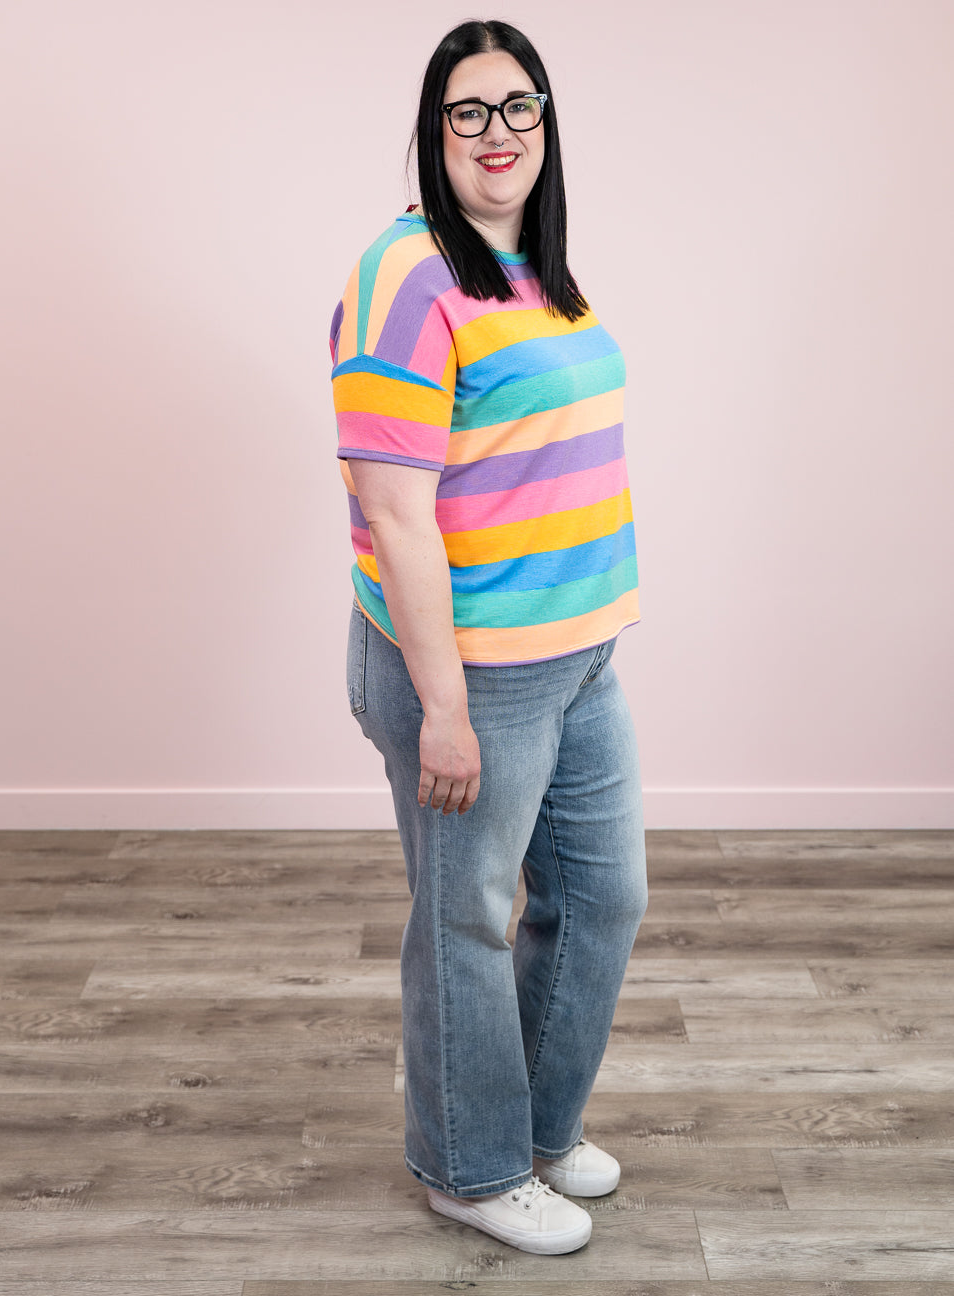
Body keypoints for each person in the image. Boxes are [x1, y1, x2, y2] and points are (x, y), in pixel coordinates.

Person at [329, 19, 647, 1256]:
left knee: (601, 896)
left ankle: (535, 1129)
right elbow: (397, 515)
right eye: (469, 111)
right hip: (470, 672)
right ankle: (469, 1166)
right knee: (463, 918)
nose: (497, 131)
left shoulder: (535, 267)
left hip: (577, 655)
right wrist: (445, 707)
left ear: (546, 123)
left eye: (520, 106)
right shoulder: (404, 276)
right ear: (434, 131)